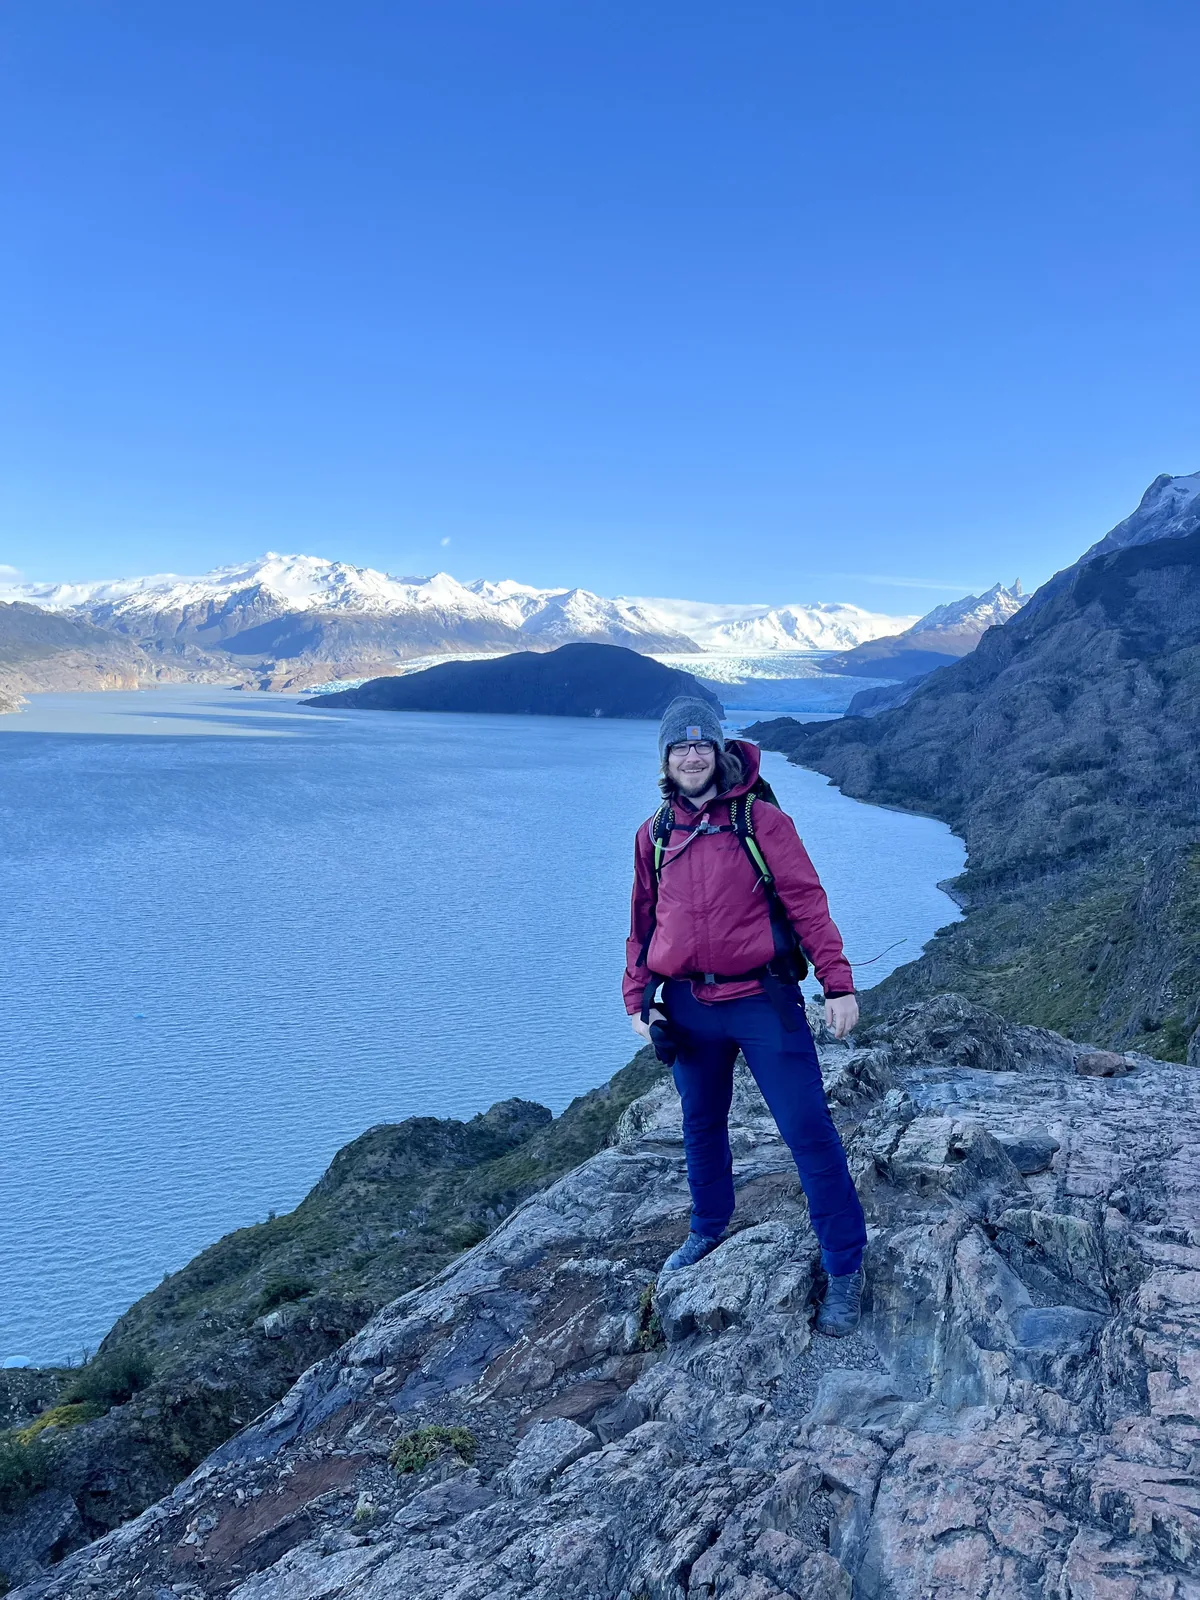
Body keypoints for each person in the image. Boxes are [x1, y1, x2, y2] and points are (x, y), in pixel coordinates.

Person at [623, 695, 867, 1337]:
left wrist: (838, 984)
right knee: (701, 1128)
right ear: (667, 759)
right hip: (687, 1005)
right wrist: (638, 998)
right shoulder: (654, 835)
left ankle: (845, 1267)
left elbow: (808, 903)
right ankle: (707, 1230)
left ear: (721, 751)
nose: (694, 755)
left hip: (762, 999)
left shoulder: (761, 823)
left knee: (808, 1130)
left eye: (704, 745)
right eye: (681, 746)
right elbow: (643, 927)